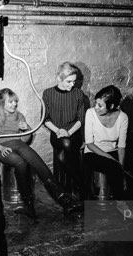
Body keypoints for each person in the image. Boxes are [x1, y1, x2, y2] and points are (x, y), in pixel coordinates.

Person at [0, 88, 83, 221]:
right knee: (20, 163)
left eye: (15, 101)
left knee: (39, 165)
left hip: (19, 145)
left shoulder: (19, 115)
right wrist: (1, 147)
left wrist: (27, 129)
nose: (14, 104)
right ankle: (28, 204)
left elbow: (25, 140)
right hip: (1, 149)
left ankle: (65, 201)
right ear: (2, 103)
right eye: (11, 102)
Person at [83, 85, 133, 215]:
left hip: (113, 151)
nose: (96, 107)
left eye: (100, 105)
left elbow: (121, 146)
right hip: (93, 152)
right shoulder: (90, 113)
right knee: (113, 166)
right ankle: (121, 203)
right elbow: (89, 143)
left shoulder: (123, 117)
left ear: (111, 106)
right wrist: (113, 161)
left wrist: (121, 166)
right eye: (96, 103)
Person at [42, 62, 85, 198]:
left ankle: (68, 188)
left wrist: (69, 132)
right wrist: (58, 131)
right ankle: (81, 184)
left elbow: (81, 119)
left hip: (74, 132)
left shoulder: (78, 93)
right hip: (56, 132)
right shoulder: (48, 93)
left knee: (66, 148)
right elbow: (45, 119)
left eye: (74, 81)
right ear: (59, 78)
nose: (72, 85)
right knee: (65, 144)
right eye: (68, 81)